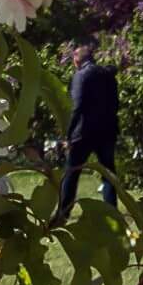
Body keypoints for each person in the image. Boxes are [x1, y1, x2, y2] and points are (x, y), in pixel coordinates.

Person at [55, 37, 120, 218]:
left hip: (83, 132)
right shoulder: (107, 74)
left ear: (77, 60)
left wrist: (68, 135)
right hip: (107, 130)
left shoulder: (81, 76)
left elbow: (77, 106)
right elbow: (115, 104)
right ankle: (112, 211)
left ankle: (63, 211)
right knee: (108, 174)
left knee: (71, 173)